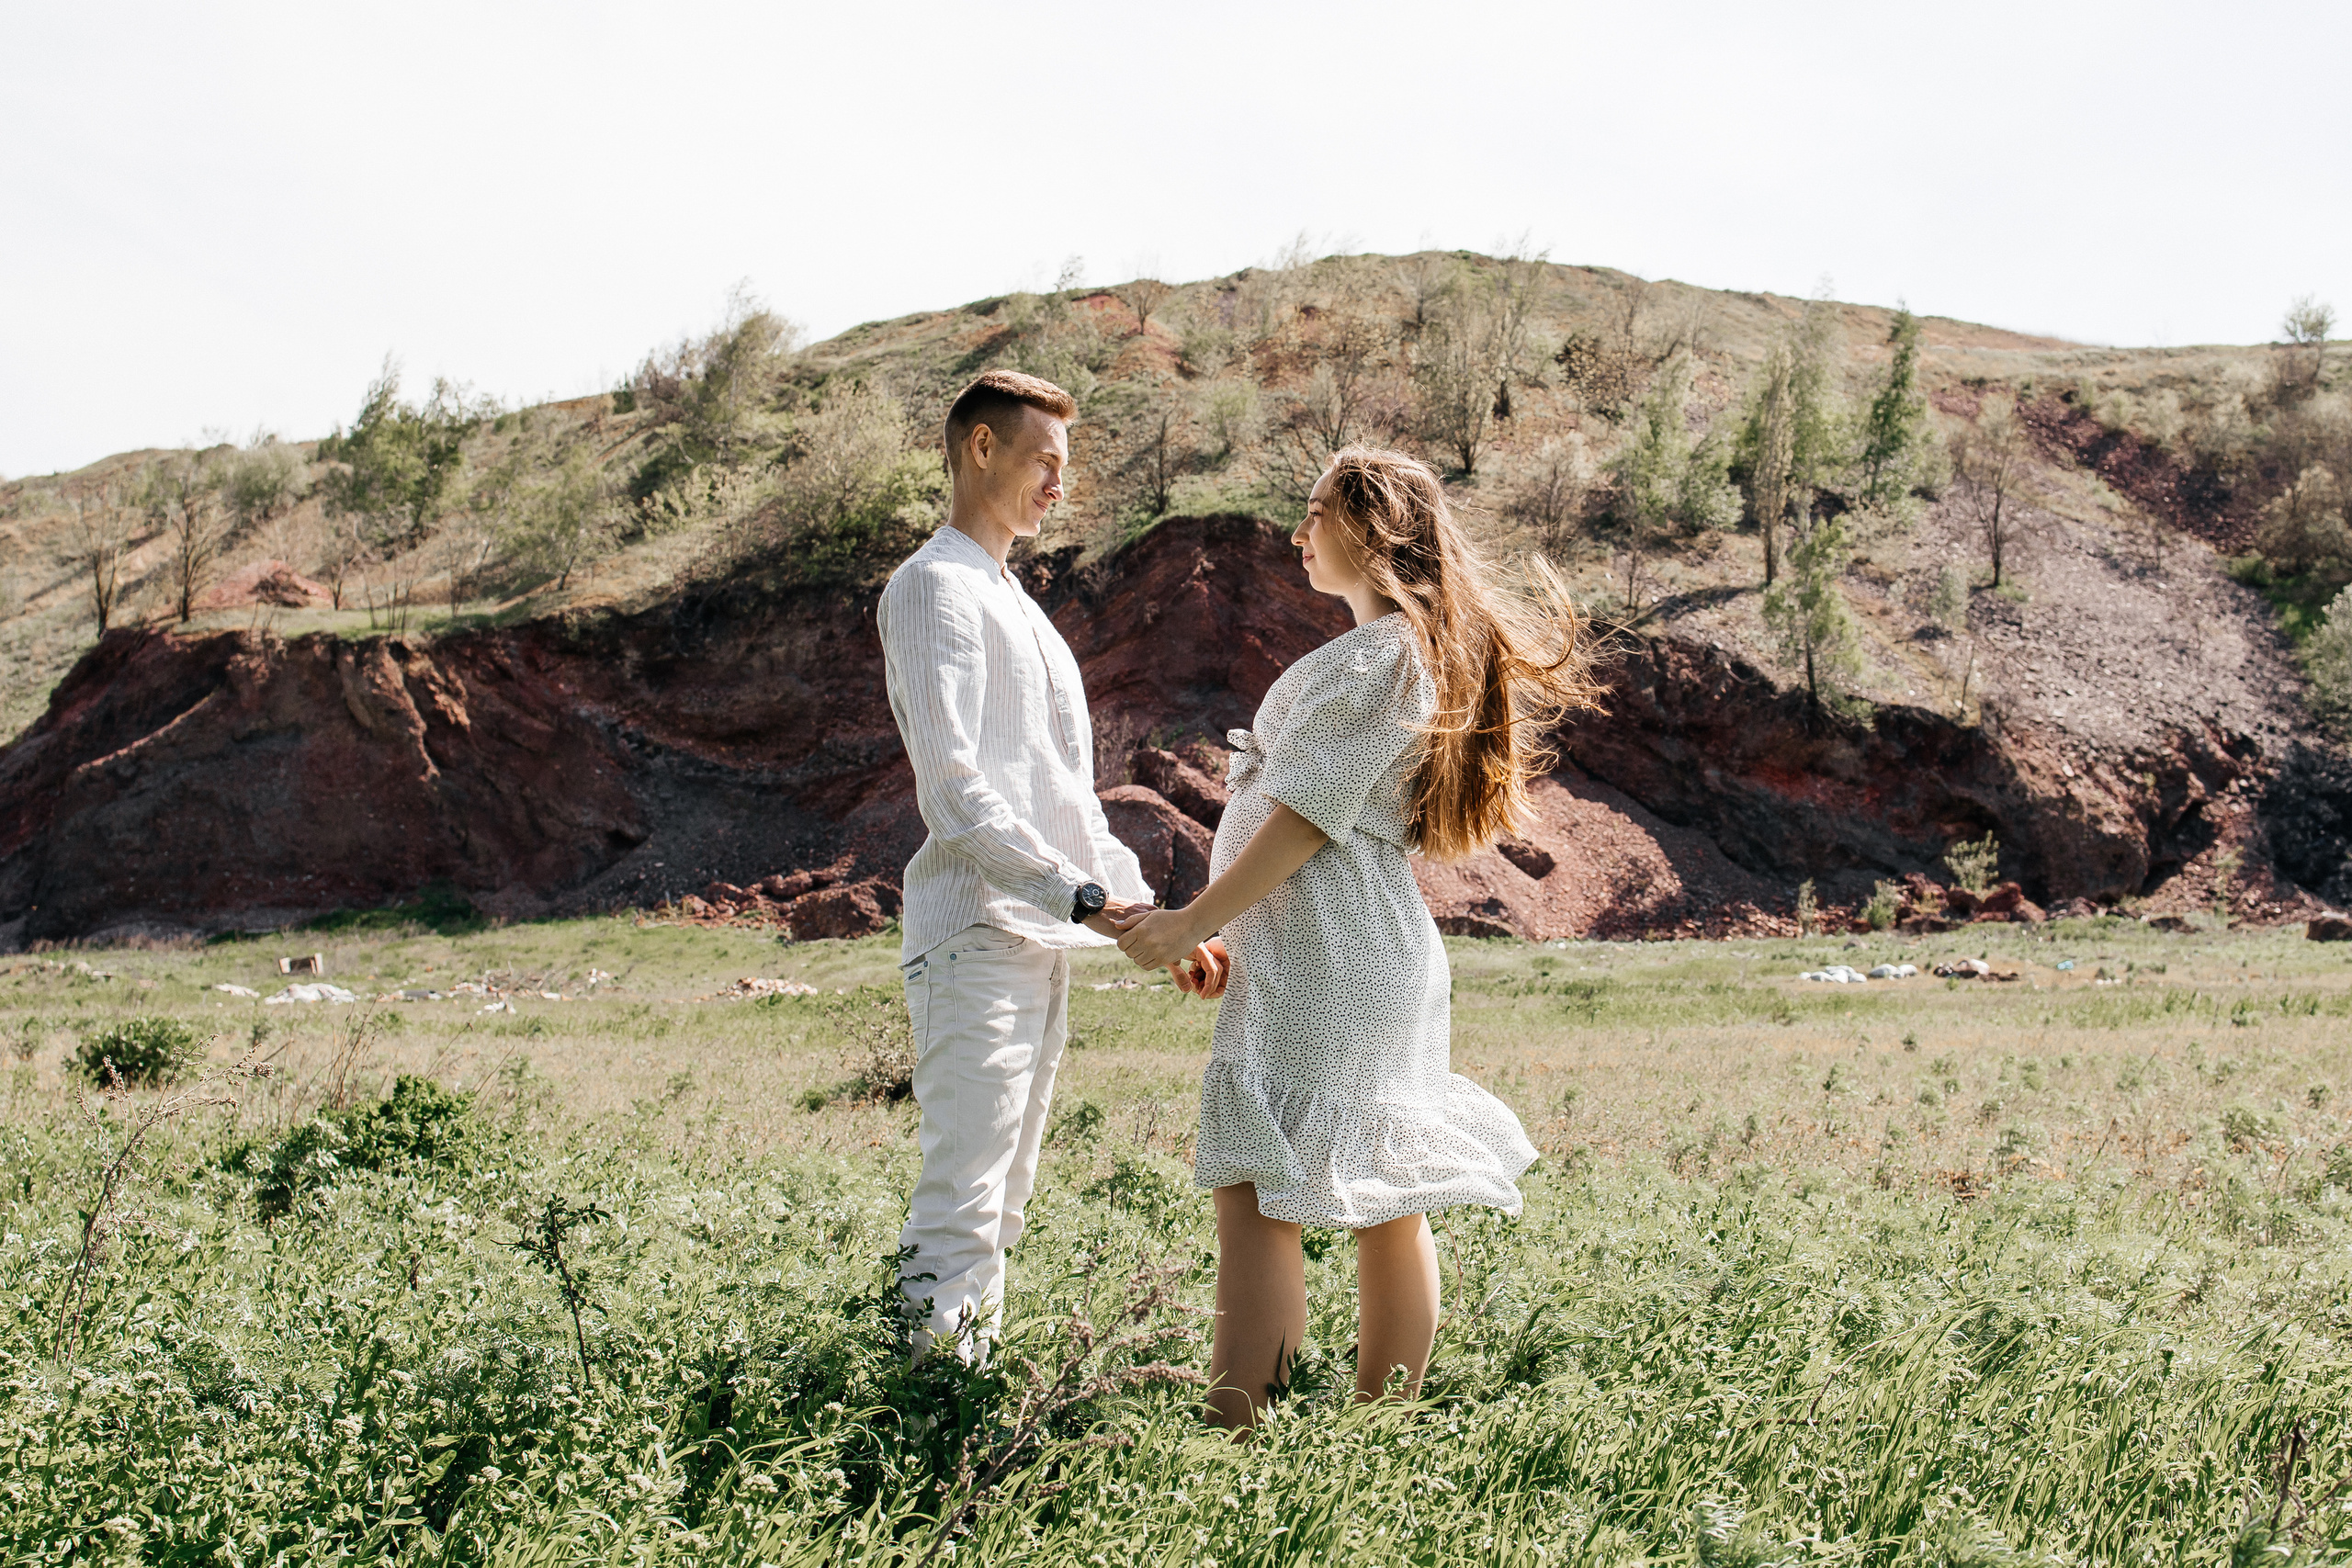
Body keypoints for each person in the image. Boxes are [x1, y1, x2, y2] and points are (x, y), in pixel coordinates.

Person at [1114, 445, 1600, 1428]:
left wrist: (1190, 923)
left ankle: (1236, 1432)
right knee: (1381, 1193)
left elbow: (1302, 816)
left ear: (1369, 528)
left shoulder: (1384, 653)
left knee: (1261, 1190)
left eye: (1312, 512)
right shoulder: (1394, 649)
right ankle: (1376, 1429)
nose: (1295, 534)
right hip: (1331, 947)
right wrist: (1230, 944)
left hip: (1336, 947)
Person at [878, 369, 1224, 1361]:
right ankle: (929, 1415)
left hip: (1040, 937)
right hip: (977, 935)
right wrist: (1083, 901)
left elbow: (1066, 800)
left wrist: (1155, 921)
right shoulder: (930, 589)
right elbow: (954, 794)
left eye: (1064, 468)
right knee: (963, 1197)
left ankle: (958, 1394)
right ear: (980, 450)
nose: (1058, 486)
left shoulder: (1022, 609)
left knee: (1006, 1198)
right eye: (1044, 461)